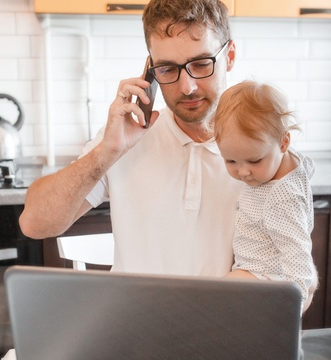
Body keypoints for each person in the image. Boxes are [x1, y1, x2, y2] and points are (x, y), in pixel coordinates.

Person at [18, 0, 244, 276]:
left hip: (221, 317)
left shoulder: (260, 150)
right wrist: (107, 152)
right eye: (167, 69)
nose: (187, 87)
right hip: (133, 318)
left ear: (229, 57)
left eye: (200, 64)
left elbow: (293, 282)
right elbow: (34, 224)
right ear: (150, 69)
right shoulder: (126, 139)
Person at [213, 80, 318, 311]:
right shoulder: (290, 165)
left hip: (264, 277)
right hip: (263, 274)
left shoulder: (282, 197)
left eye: (254, 160)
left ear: (283, 142)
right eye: (230, 161)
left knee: (210, 300)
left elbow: (298, 258)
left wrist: (293, 308)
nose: (243, 172)